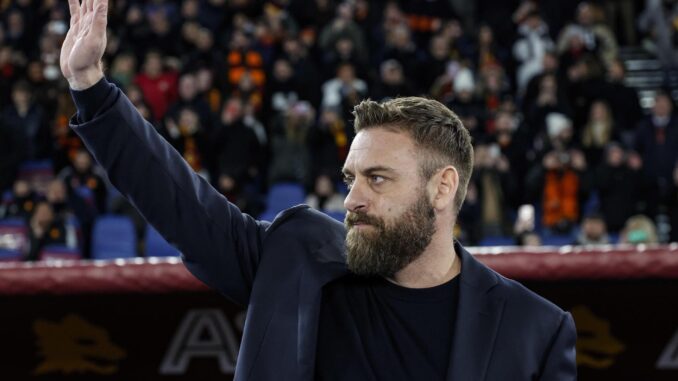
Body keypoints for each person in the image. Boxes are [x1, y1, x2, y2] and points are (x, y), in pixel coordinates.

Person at [60, 1, 576, 379]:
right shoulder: (297, 253)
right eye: (353, 179)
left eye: (378, 178)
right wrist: (90, 86)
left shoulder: (535, 331)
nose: (352, 200)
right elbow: (180, 203)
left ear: (442, 188)